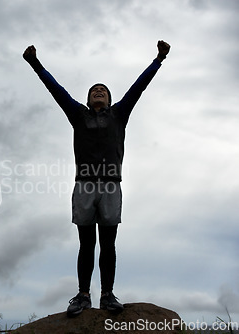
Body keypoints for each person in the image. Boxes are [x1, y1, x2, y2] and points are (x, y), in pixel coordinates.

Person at [23, 40, 170, 317]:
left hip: (112, 184)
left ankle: (107, 294)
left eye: (103, 90)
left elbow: (138, 87)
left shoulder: (119, 115)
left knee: (109, 243)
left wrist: (158, 59)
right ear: (88, 99)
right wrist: (35, 63)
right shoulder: (78, 115)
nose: (98, 92)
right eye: (94, 91)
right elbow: (57, 90)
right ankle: (82, 295)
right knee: (86, 243)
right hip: (85, 184)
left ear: (110, 99)